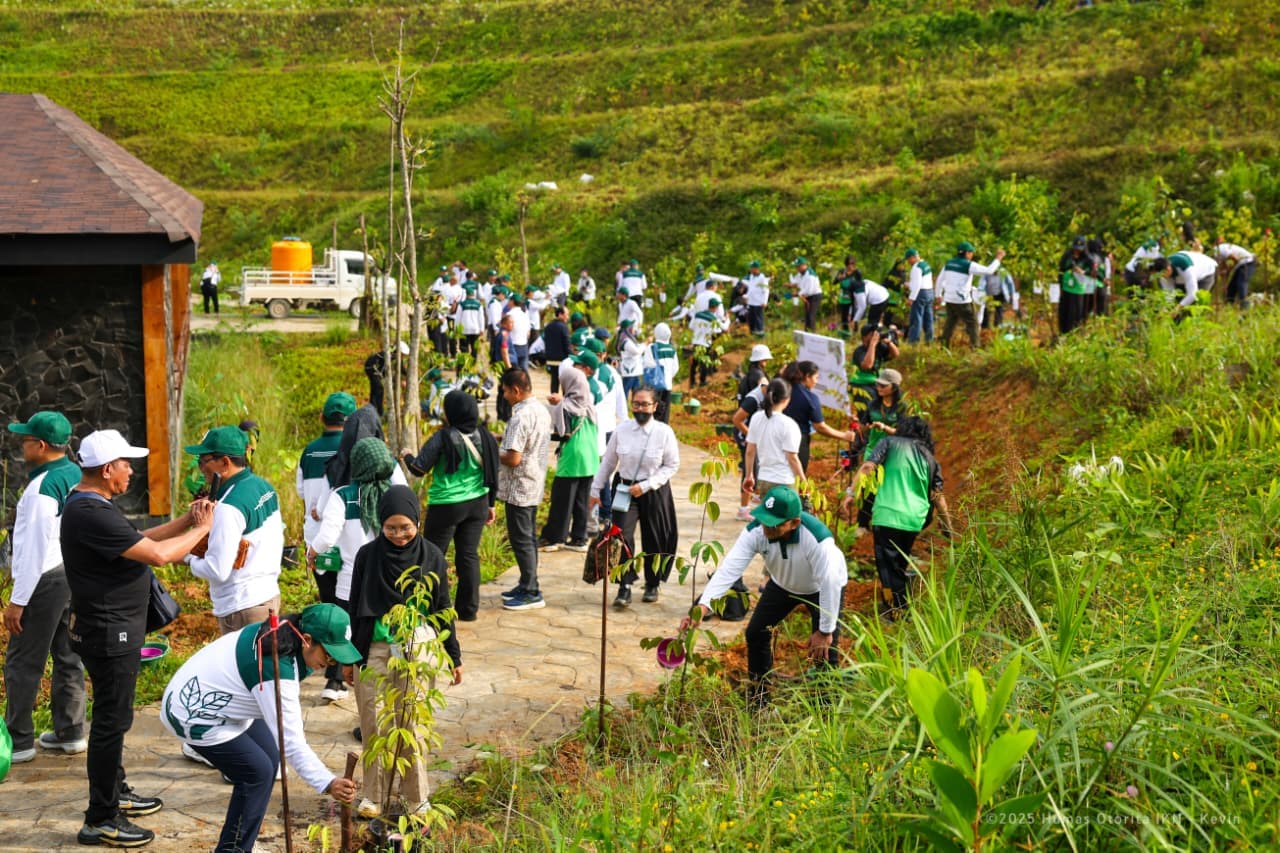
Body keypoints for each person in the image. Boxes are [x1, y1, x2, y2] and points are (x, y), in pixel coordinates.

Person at [62, 429, 213, 848]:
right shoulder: (91, 512)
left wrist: (187, 521)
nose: (132, 470)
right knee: (111, 723)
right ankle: (101, 817)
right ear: (108, 469)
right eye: (127, 464)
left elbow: (140, 541)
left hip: (107, 627)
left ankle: (116, 793)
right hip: (109, 632)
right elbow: (160, 555)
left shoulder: (92, 504)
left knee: (115, 718)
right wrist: (203, 530)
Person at [159, 604, 360, 852]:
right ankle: (233, 849)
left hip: (220, 698)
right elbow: (292, 743)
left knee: (271, 758)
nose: (332, 664)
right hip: (193, 713)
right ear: (307, 640)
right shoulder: (277, 669)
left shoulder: (287, 633)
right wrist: (328, 782)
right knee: (257, 772)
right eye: (329, 656)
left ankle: (243, 842)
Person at [345, 486, 461, 820]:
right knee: (374, 724)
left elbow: (443, 609)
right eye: (391, 528)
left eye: (405, 527)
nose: (399, 535)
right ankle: (373, 796)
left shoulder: (432, 557)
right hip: (375, 649)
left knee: (412, 726)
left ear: (417, 522)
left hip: (417, 648)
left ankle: (416, 798)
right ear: (380, 524)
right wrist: (351, 659)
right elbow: (356, 609)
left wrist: (453, 655)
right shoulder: (368, 556)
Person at [681, 486, 846, 706]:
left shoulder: (817, 540)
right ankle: (759, 699)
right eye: (763, 519)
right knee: (756, 632)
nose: (766, 527)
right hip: (782, 585)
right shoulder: (756, 531)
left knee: (825, 651)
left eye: (774, 523)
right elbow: (730, 569)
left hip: (821, 589)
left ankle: (826, 710)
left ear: (794, 523)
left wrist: (825, 631)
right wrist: (703, 606)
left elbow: (830, 582)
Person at [3, 411, 85, 765]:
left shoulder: (40, 489)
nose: (21, 445)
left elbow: (33, 551)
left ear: (39, 445)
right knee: (68, 654)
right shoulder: (76, 474)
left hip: (45, 579)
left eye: (25, 440)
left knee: (23, 661)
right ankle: (70, 732)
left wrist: (17, 602)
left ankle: (19, 740)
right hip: (72, 574)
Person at [307, 436, 400, 701]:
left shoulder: (343, 496)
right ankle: (393, 692)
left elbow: (326, 538)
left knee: (345, 637)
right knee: (386, 641)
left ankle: (337, 683)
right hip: (389, 584)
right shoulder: (393, 495)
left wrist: (312, 552)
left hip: (351, 584)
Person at [401, 391, 500, 622]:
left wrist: (406, 456)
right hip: (478, 503)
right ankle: (468, 610)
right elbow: (493, 473)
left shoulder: (443, 437)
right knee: (468, 555)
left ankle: (432, 609)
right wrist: (492, 504)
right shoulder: (485, 435)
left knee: (433, 556)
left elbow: (418, 468)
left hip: (446, 505)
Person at [847, 416, 953, 618]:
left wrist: (852, 494)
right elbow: (938, 497)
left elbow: (868, 467)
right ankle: (898, 603)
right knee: (898, 563)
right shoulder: (930, 458)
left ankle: (896, 610)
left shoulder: (889, 443)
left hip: (888, 514)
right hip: (914, 520)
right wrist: (948, 526)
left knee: (887, 566)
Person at [184, 426, 285, 635]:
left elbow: (217, 570)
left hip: (242, 609)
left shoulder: (229, 508)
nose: (201, 467)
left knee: (244, 667)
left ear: (225, 462)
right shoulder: (263, 487)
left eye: (204, 461)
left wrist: (188, 559)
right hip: (268, 597)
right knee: (262, 666)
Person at [588, 386, 680, 607]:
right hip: (624, 491)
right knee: (621, 537)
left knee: (655, 536)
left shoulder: (664, 432)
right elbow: (609, 462)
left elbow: (671, 465)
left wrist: (647, 485)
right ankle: (624, 585)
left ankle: (652, 583)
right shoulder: (622, 431)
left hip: (655, 491)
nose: (640, 408)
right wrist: (595, 490)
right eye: (636, 403)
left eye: (645, 404)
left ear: (655, 406)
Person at [497, 368, 553, 611]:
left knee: (522, 540)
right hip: (533, 482)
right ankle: (527, 583)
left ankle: (531, 591)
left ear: (516, 391)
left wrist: (490, 453)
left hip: (519, 488)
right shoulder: (539, 409)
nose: (504, 395)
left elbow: (513, 458)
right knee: (527, 538)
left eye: (505, 391)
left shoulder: (520, 416)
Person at [539, 352, 601, 552]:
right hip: (590, 458)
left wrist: (552, 407)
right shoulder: (589, 404)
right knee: (581, 500)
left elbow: (560, 432)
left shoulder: (566, 406)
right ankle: (579, 538)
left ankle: (555, 537)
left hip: (573, 456)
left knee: (562, 499)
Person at [296, 392, 356, 555]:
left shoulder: (308, 452)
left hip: (315, 538)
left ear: (321, 417)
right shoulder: (356, 449)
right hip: (349, 538)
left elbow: (301, 492)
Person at [854, 368, 909, 530]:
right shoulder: (872, 404)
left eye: (883, 385)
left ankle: (882, 522)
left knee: (886, 486)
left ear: (894, 387)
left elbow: (903, 432)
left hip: (892, 452)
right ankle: (863, 523)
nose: (879, 388)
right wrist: (861, 427)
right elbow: (863, 427)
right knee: (866, 485)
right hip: (873, 450)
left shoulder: (901, 407)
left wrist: (885, 428)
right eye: (878, 384)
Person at [782, 361, 858, 472]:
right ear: (807, 376)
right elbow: (820, 427)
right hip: (798, 441)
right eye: (816, 377)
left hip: (776, 436)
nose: (816, 382)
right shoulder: (809, 398)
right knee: (795, 476)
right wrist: (844, 436)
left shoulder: (783, 388)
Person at [743, 378, 805, 499]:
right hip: (785, 481)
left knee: (768, 516)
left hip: (764, 480)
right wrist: (803, 481)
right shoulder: (789, 424)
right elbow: (792, 458)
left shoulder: (756, 418)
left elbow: (750, 451)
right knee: (787, 517)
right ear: (787, 399)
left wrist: (749, 475)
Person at [937, 241, 1005, 348]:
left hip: (949, 299)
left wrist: (938, 295)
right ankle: (975, 347)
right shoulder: (968, 265)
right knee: (973, 322)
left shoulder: (949, 263)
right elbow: (989, 271)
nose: (972, 255)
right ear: (967, 253)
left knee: (950, 322)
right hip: (962, 300)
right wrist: (998, 258)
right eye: (971, 252)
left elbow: (939, 280)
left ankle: (944, 346)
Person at [850, 324, 900, 411]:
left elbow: (895, 354)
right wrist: (872, 344)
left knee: (895, 393)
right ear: (864, 337)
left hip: (877, 383)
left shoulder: (879, 347)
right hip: (861, 384)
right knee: (870, 400)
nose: (875, 336)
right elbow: (867, 365)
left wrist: (889, 342)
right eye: (872, 334)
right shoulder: (859, 351)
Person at [1151, 250, 1218, 311]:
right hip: (1183, 278)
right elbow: (1169, 294)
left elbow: (1192, 294)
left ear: (1168, 269)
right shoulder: (1164, 272)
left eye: (1162, 275)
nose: (1161, 277)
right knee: (1179, 301)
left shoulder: (1185, 267)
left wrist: (1177, 309)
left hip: (1205, 274)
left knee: (1194, 305)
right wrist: (1164, 310)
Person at [1057, 236, 1095, 335]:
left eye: (1079, 250)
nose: (1077, 251)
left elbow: (1092, 272)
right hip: (1066, 287)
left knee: (1076, 312)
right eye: (1075, 249)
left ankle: (1075, 333)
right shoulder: (1067, 255)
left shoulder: (1088, 258)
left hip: (1079, 290)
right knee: (1065, 310)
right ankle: (1063, 332)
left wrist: (1082, 272)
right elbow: (1061, 269)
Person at [689, 297, 729, 387]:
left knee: (694, 362)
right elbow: (722, 329)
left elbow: (691, 326)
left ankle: (692, 382)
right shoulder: (713, 318)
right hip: (705, 343)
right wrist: (727, 319)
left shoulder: (697, 314)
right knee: (704, 363)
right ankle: (702, 381)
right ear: (715, 307)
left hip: (696, 341)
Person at [364, 341, 409, 416]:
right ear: (398, 351)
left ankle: (372, 407)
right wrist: (398, 380)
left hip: (379, 370)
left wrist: (408, 375)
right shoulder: (388, 355)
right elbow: (388, 372)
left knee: (375, 389)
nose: (403, 356)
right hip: (372, 369)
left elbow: (401, 368)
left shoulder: (396, 356)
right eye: (403, 354)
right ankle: (379, 412)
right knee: (378, 388)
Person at [903, 248, 935, 344]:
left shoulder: (916, 268)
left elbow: (917, 284)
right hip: (929, 292)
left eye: (908, 259)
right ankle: (929, 340)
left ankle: (913, 341)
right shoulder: (925, 265)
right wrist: (909, 284)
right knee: (928, 318)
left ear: (913, 257)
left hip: (920, 294)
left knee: (916, 318)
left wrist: (911, 298)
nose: (908, 262)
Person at [649, 323, 680, 423]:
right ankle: (664, 430)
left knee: (653, 409)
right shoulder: (672, 349)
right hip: (668, 384)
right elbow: (676, 367)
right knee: (665, 410)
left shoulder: (652, 348)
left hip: (655, 385)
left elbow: (647, 365)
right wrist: (668, 376)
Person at [1215, 240, 1256, 308]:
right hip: (1241, 265)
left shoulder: (1220, 250)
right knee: (1231, 287)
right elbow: (1224, 271)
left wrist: (1229, 269)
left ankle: (1245, 306)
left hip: (1247, 262)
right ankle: (1228, 306)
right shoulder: (1218, 253)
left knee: (1241, 283)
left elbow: (1236, 259)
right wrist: (1224, 284)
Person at [542, 305, 573, 394]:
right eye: (566, 314)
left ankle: (553, 400)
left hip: (551, 359)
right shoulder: (563, 327)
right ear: (560, 314)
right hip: (562, 359)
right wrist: (571, 356)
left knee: (554, 381)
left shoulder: (548, 326)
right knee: (564, 381)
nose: (568, 317)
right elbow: (566, 344)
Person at [790, 257, 822, 331]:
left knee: (811, 315)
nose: (797, 268)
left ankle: (812, 335)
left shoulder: (810, 275)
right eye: (796, 266)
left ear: (804, 265)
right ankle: (807, 333)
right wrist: (790, 285)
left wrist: (797, 294)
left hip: (814, 296)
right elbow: (796, 282)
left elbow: (809, 290)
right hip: (807, 296)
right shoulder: (800, 274)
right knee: (807, 316)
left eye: (798, 266)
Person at [833, 256, 863, 335]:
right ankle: (845, 333)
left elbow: (860, 285)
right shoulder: (842, 271)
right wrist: (839, 278)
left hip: (854, 297)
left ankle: (854, 334)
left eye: (853, 264)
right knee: (844, 317)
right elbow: (834, 282)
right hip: (844, 297)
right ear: (846, 264)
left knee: (854, 317)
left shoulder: (857, 273)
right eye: (850, 264)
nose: (852, 266)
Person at [617, 319, 646, 399]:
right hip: (629, 371)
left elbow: (637, 347)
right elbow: (636, 351)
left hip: (634, 371)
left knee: (636, 392)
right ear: (628, 329)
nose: (634, 329)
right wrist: (645, 344)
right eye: (633, 327)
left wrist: (643, 344)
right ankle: (623, 409)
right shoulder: (626, 341)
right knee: (625, 392)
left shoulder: (629, 339)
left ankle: (635, 407)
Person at [455, 284, 486, 356]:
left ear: (466, 295)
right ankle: (473, 363)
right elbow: (481, 318)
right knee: (474, 348)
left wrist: (456, 329)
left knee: (464, 347)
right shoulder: (479, 305)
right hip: (475, 329)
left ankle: (464, 363)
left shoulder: (462, 304)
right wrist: (482, 329)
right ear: (474, 295)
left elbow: (458, 318)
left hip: (464, 329)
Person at [743, 260, 770, 336]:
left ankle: (760, 333)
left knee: (758, 318)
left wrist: (765, 301)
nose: (750, 269)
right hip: (751, 301)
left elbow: (766, 290)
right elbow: (751, 288)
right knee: (751, 318)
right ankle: (753, 332)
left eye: (752, 268)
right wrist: (746, 297)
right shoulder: (751, 277)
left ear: (756, 268)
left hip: (758, 301)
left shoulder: (762, 278)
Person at [506, 294, 532, 370]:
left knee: (513, 372)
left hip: (513, 346)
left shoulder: (509, 315)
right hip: (524, 345)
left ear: (512, 301)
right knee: (524, 371)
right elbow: (528, 333)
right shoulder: (524, 315)